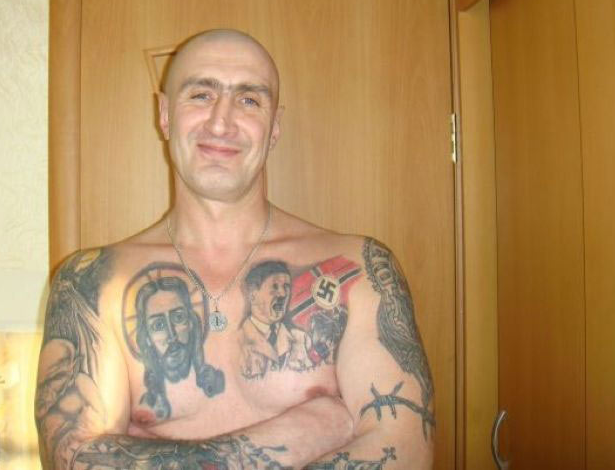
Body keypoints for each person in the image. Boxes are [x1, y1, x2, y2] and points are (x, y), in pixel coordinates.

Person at [35, 29, 436, 469]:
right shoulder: (93, 284)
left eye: (248, 100)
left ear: (274, 126)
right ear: (165, 115)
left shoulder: (358, 270)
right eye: (201, 95)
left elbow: (405, 453)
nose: (221, 123)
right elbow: (73, 460)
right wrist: (302, 432)